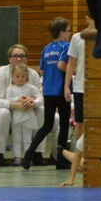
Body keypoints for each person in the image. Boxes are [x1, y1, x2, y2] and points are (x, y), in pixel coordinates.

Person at [23, 17, 72, 170]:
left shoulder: (46, 48)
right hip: (61, 90)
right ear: (62, 32)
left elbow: (42, 70)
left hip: (48, 91)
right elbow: (64, 66)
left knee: (47, 125)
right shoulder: (67, 46)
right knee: (64, 126)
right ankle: (62, 161)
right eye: (69, 31)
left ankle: (29, 153)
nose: (70, 34)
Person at [0, 44, 44, 166]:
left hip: (27, 111)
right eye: (15, 56)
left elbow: (41, 96)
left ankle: (37, 153)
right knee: (4, 113)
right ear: (9, 58)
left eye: (22, 56)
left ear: (26, 58)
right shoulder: (0, 73)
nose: (19, 59)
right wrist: (14, 104)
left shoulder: (32, 74)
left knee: (42, 110)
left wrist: (32, 102)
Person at [64, 13, 94, 153]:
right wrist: (66, 86)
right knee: (80, 122)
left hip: (100, 88)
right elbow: (71, 63)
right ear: (87, 18)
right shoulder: (77, 37)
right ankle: (76, 155)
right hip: (81, 86)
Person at [8, 63, 43, 167]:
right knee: (16, 137)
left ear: (27, 77)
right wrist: (16, 100)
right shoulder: (10, 88)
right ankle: (17, 157)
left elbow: (40, 97)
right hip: (17, 116)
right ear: (12, 77)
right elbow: (7, 99)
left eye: (23, 76)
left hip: (28, 116)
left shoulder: (31, 88)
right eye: (17, 77)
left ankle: (28, 157)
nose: (20, 79)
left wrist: (32, 100)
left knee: (28, 138)